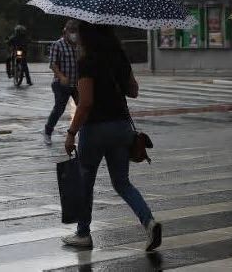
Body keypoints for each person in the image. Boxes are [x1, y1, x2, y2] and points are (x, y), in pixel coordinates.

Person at [61, 22, 162, 251]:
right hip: (121, 128)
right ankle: (149, 222)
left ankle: (83, 234)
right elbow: (133, 91)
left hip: (95, 129)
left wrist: (71, 133)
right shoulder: (119, 56)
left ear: (86, 34)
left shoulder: (87, 62)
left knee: (86, 181)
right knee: (122, 183)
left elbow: (85, 103)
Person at [43, 20, 79, 145]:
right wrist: (61, 76)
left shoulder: (79, 46)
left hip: (76, 83)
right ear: (66, 32)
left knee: (85, 106)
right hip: (60, 83)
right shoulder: (57, 45)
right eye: (72, 32)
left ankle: (87, 132)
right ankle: (47, 132)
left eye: (76, 32)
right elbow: (52, 64)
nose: (74, 35)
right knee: (59, 108)